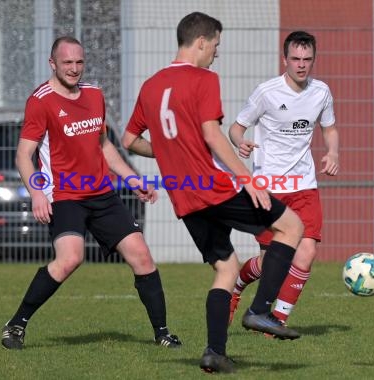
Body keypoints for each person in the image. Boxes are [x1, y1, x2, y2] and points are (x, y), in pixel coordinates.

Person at [122, 12, 304, 374]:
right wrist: (247, 178)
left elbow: (129, 141)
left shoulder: (151, 85)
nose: (216, 54)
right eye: (216, 45)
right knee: (292, 226)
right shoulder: (203, 78)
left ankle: (214, 353)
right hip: (212, 187)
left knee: (226, 268)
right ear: (201, 41)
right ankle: (259, 310)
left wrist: (170, 151)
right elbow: (212, 134)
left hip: (183, 196)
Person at [1, 36, 181, 350]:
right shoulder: (41, 100)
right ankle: (16, 325)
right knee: (70, 258)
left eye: (79, 62)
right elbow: (23, 155)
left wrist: (132, 178)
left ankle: (162, 332)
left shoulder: (95, 94)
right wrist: (38, 193)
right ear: (52, 63)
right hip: (66, 195)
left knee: (142, 257)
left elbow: (104, 145)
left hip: (102, 193)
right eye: (67, 62)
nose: (74, 69)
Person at [227, 31, 339, 325]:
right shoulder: (267, 92)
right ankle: (237, 286)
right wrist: (240, 142)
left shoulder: (321, 92)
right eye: (295, 59)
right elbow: (237, 127)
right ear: (284, 59)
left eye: (307, 59)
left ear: (313, 60)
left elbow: (329, 128)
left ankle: (276, 321)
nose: (301, 65)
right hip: (269, 187)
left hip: (305, 185)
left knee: (307, 251)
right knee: (269, 264)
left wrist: (333, 152)